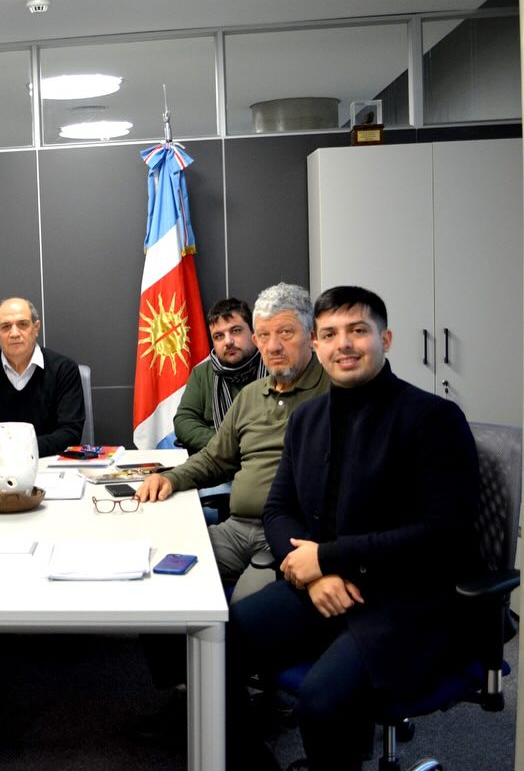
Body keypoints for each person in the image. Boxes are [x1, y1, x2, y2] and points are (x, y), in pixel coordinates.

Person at [227, 286, 480, 771]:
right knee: (217, 644)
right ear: (318, 347)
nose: (344, 344)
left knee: (321, 703)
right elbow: (279, 510)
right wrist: (317, 574)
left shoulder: (433, 419)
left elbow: (441, 534)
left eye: (358, 331)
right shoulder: (307, 419)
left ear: (385, 338)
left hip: (406, 598)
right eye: (330, 334)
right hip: (325, 587)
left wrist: (327, 558)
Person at [135, 282, 330, 600]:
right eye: (265, 336)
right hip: (236, 528)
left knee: (241, 613)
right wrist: (170, 478)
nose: (274, 346)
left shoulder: (332, 394)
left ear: (312, 336)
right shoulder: (253, 395)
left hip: (288, 535)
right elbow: (215, 458)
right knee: (159, 582)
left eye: (286, 333)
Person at [0, 297, 85, 459]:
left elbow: (70, 433)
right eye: (6, 326)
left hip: (48, 467)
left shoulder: (64, 370)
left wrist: (16, 452)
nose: (14, 333)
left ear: (36, 328)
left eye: (22, 324)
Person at [172, 297, 264, 453]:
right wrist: (225, 444)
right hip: (216, 464)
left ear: (253, 333)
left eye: (236, 330)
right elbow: (184, 420)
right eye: (219, 336)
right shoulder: (202, 374)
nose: (228, 341)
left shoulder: (274, 366)